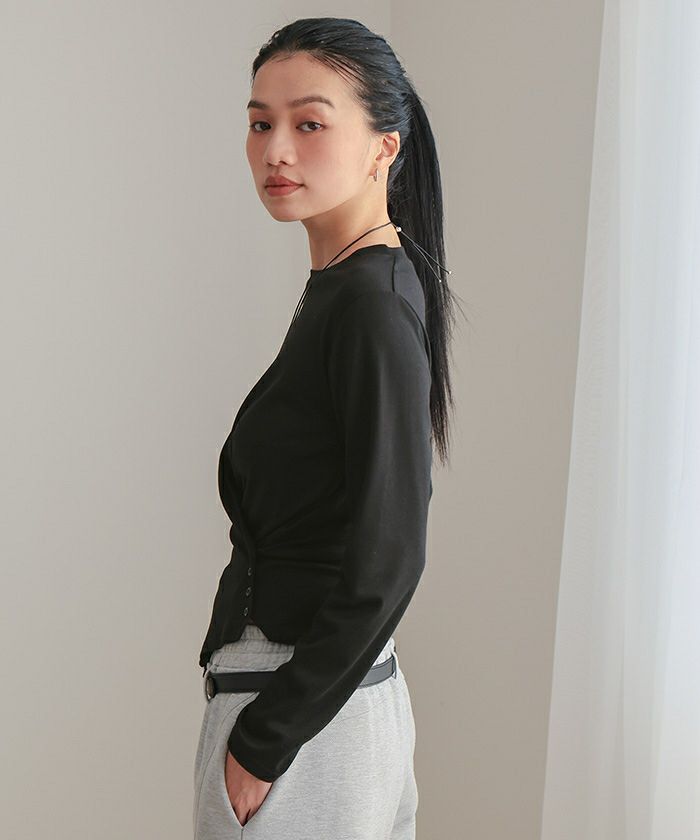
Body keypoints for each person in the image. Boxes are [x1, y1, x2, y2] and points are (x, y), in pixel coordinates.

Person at [193, 16, 459, 840]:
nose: (276, 150)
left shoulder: (369, 306)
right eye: (259, 123)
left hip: (300, 719)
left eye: (309, 124)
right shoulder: (352, 289)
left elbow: (391, 556)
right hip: (327, 712)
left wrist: (265, 741)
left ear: (384, 146)